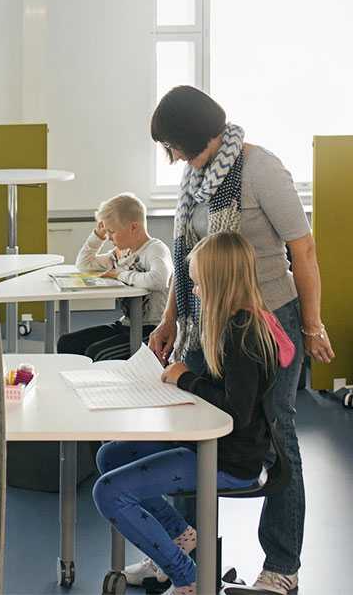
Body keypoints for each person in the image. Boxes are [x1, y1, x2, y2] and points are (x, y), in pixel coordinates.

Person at [143, 86, 333, 595]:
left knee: (275, 431)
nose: (173, 155)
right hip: (209, 318)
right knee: (195, 423)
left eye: (174, 144)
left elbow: (304, 250)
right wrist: (168, 321)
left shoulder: (260, 169)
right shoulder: (197, 176)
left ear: (196, 133)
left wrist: (312, 326)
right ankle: (186, 553)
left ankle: (281, 568)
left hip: (268, 321)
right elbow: (190, 259)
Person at [94, 233, 291, 595]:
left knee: (109, 492)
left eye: (200, 284)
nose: (196, 292)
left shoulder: (243, 336)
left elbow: (236, 411)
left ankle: (189, 579)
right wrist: (188, 378)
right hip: (210, 445)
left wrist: (186, 379)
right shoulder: (231, 326)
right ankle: (180, 535)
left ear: (220, 283)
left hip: (230, 459)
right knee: (110, 454)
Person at [57, 193, 172, 361]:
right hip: (126, 325)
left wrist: (120, 274)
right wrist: (98, 235)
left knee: (96, 353)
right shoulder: (120, 253)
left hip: (152, 330)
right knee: (66, 343)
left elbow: (158, 280)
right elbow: (84, 264)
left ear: (133, 227)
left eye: (112, 232)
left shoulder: (156, 249)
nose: (109, 237)